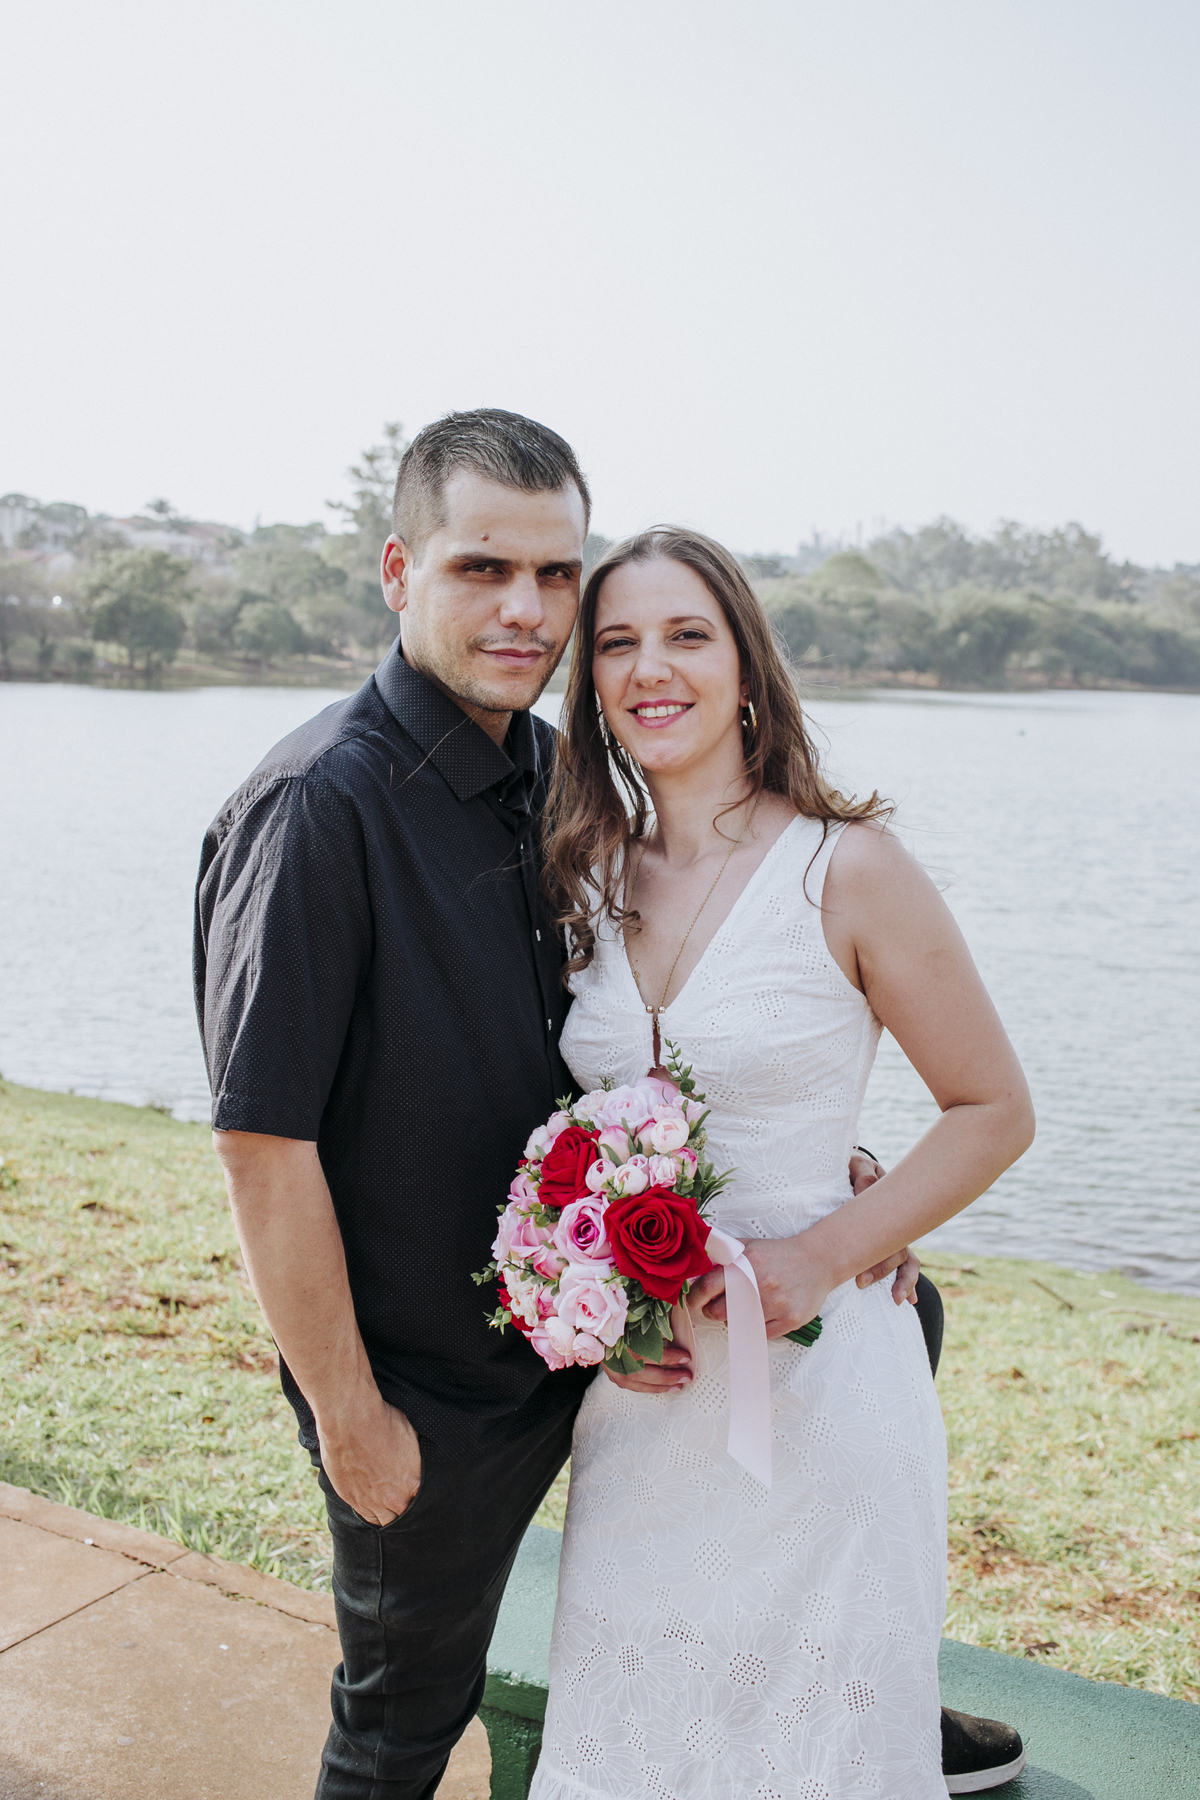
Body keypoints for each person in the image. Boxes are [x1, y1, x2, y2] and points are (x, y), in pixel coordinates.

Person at [192, 409, 1024, 1799]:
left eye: (554, 575)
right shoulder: (317, 806)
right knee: (402, 1726)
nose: (527, 609)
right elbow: (261, 1145)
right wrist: (347, 1412)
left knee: (787, 1640)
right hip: (434, 1392)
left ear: (747, 665)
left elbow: (644, 1062)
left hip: (620, 1358)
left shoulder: (557, 804)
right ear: (399, 571)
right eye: (482, 568)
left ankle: (873, 1705)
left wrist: (832, 1181)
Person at [528, 527, 1035, 1800]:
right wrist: (598, 1313)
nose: (651, 668)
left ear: (747, 667)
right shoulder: (583, 873)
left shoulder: (848, 866)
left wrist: (827, 1247)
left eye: (687, 635)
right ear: (591, 685)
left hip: (823, 1401)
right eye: (618, 643)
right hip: (645, 1406)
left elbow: (991, 1109)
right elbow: (565, 1129)